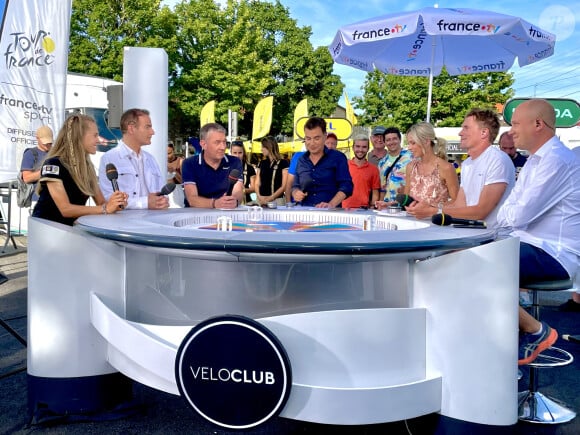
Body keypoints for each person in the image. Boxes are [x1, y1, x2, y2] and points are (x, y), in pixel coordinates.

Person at [496, 99, 580, 365]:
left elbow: (518, 215)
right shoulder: (536, 160)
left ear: (538, 124)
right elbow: (506, 214)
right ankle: (504, 347)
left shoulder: (557, 160)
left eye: (516, 123)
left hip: (554, 255)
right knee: (463, 260)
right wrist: (513, 216)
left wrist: (513, 216)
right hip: (529, 245)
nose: (511, 130)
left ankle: (535, 331)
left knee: (473, 265)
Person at [406, 108, 514, 229]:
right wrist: (428, 208)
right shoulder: (467, 163)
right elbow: (459, 205)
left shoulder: (497, 159)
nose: (460, 133)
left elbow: (481, 211)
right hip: (473, 233)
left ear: (484, 133)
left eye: (466, 128)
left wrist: (432, 211)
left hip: (496, 237)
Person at [32, 114, 127, 226]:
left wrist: (115, 204)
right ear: (79, 137)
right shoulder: (54, 165)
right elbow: (65, 209)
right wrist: (105, 208)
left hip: (68, 232)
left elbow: (101, 203)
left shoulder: (87, 168)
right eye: (95, 135)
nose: (98, 140)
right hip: (46, 231)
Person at [99, 108, 169, 210]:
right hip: (123, 223)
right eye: (147, 127)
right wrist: (146, 202)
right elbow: (107, 198)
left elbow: (162, 191)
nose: (152, 132)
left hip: (153, 221)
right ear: (131, 129)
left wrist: (162, 201)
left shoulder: (150, 159)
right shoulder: (109, 158)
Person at [385, 122, 458, 209]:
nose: (409, 147)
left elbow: (456, 202)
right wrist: (388, 205)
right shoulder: (410, 167)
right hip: (411, 220)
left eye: (413, 143)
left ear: (426, 141)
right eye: (409, 143)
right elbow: (406, 199)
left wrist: (432, 209)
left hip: (433, 221)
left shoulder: (446, 168)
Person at [292, 117, 353, 208]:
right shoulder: (301, 160)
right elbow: (295, 186)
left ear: (325, 136)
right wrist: (296, 193)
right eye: (308, 139)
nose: (312, 143)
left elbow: (347, 186)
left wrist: (331, 204)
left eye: (316, 138)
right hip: (305, 213)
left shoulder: (338, 158)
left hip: (331, 215)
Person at [182, 123, 243, 208]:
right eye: (217, 142)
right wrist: (215, 203)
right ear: (203, 144)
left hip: (226, 215)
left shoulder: (235, 162)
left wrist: (234, 201)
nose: (223, 147)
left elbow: (238, 191)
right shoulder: (189, 163)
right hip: (196, 216)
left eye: (224, 142)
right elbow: (192, 199)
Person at [342, 135, 380, 209]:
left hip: (363, 210)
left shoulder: (374, 169)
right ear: (353, 148)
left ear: (368, 149)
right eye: (358, 146)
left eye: (364, 147)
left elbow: (375, 192)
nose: (360, 150)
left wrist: (372, 207)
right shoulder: (344, 165)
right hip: (344, 209)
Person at [377, 127, 412, 202]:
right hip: (387, 206)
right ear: (385, 143)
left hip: (406, 204)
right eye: (388, 140)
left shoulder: (412, 158)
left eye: (394, 138)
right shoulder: (382, 163)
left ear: (400, 140)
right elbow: (383, 188)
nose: (391, 142)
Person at [20, 125, 53, 203]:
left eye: (49, 142)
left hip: (56, 201)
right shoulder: (30, 154)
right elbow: (26, 178)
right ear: (37, 138)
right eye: (45, 141)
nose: (47, 144)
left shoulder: (57, 153)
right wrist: (46, 171)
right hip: (37, 201)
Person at [255, 136, 289, 206]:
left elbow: (284, 186)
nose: (261, 149)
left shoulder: (283, 163)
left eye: (263, 147)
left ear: (269, 147)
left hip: (277, 200)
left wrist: (270, 198)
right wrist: (259, 196)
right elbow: (257, 183)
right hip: (261, 200)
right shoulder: (262, 163)